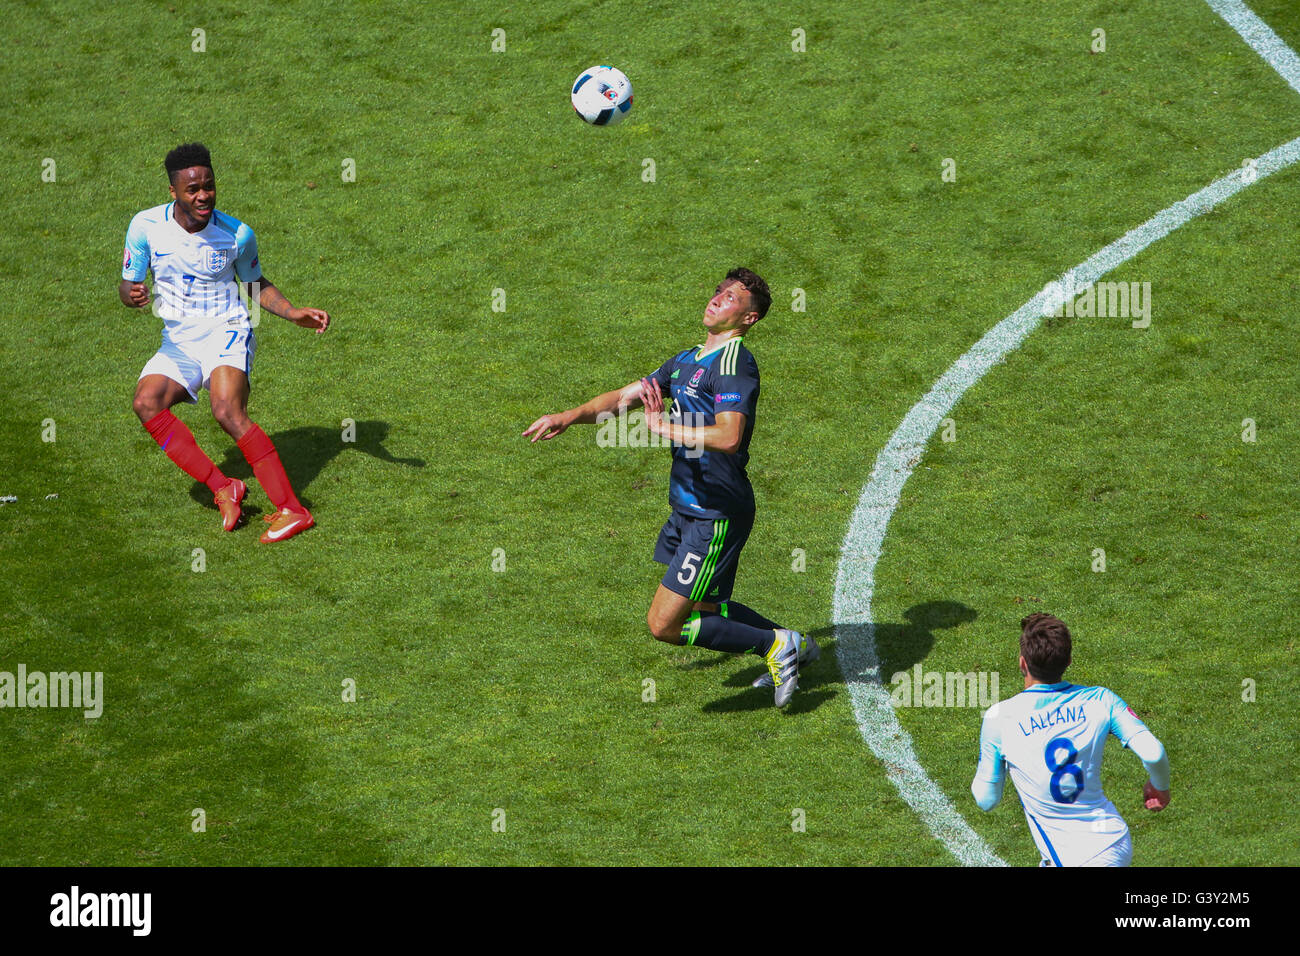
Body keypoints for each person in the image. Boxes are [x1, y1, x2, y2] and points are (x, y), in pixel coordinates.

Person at [523, 268, 815, 706]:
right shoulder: (685, 360)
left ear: (748, 319)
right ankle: (792, 643)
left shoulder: (736, 363)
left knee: (664, 625)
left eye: (731, 298)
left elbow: (729, 435)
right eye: (718, 291)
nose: (717, 299)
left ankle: (775, 647)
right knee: (703, 610)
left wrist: (667, 426)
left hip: (715, 511)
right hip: (687, 506)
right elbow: (626, 397)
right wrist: (568, 417)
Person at [120, 143, 329, 543]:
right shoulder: (144, 227)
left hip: (227, 327)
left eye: (209, 187)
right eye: (192, 190)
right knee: (146, 404)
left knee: (227, 410)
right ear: (173, 191)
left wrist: (291, 312)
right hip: (179, 339)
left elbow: (253, 283)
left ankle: (293, 510)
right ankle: (224, 486)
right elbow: (128, 282)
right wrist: (130, 294)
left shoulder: (236, 234)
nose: (203, 196)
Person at [971, 613, 1171, 866]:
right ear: (1069, 661)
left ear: (1022, 663)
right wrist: (1160, 787)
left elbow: (986, 799)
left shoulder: (1000, 717)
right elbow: (1153, 752)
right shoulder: (1102, 699)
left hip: (1076, 857)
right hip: (1114, 840)